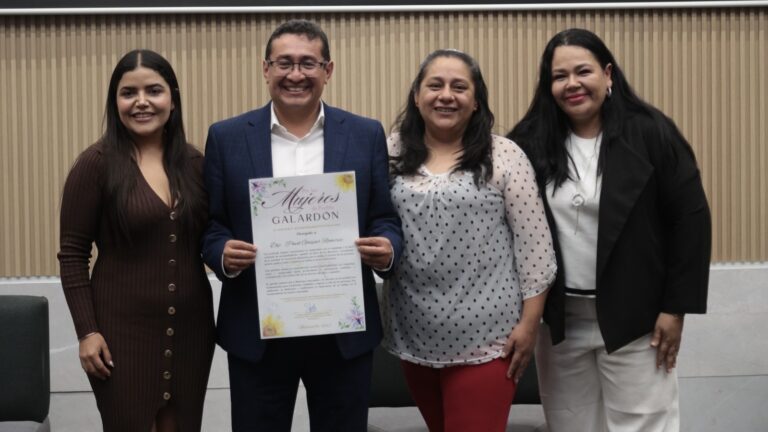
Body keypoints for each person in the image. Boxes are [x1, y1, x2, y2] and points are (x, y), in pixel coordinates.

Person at [201, 19, 403, 431]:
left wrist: (386, 247)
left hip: (341, 334)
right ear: (265, 69)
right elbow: (211, 225)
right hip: (257, 331)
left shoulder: (366, 134)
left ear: (328, 70)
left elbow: (384, 216)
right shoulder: (226, 137)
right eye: (285, 63)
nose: (296, 75)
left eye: (308, 64)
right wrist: (222, 253)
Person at [507, 28, 712, 431]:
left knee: (644, 423)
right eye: (559, 76)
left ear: (608, 74)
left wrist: (675, 309)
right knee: (570, 424)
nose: (572, 84)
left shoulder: (651, 132)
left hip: (637, 319)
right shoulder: (529, 141)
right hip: (560, 323)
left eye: (583, 71)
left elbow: (690, 220)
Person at [383, 49, 557, 432]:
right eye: (435, 85)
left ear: (476, 100)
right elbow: (376, 225)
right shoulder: (390, 151)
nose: (446, 95)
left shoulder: (504, 155)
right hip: (415, 336)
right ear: (416, 95)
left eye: (459, 87)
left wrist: (529, 326)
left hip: (490, 341)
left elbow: (536, 250)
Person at [58, 49, 215, 432]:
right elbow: (73, 255)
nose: (142, 102)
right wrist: (87, 332)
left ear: (172, 100)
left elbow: (216, 237)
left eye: (154, 91)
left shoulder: (196, 164)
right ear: (115, 103)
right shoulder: (95, 164)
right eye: (129, 93)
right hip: (119, 334)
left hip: (193, 332)